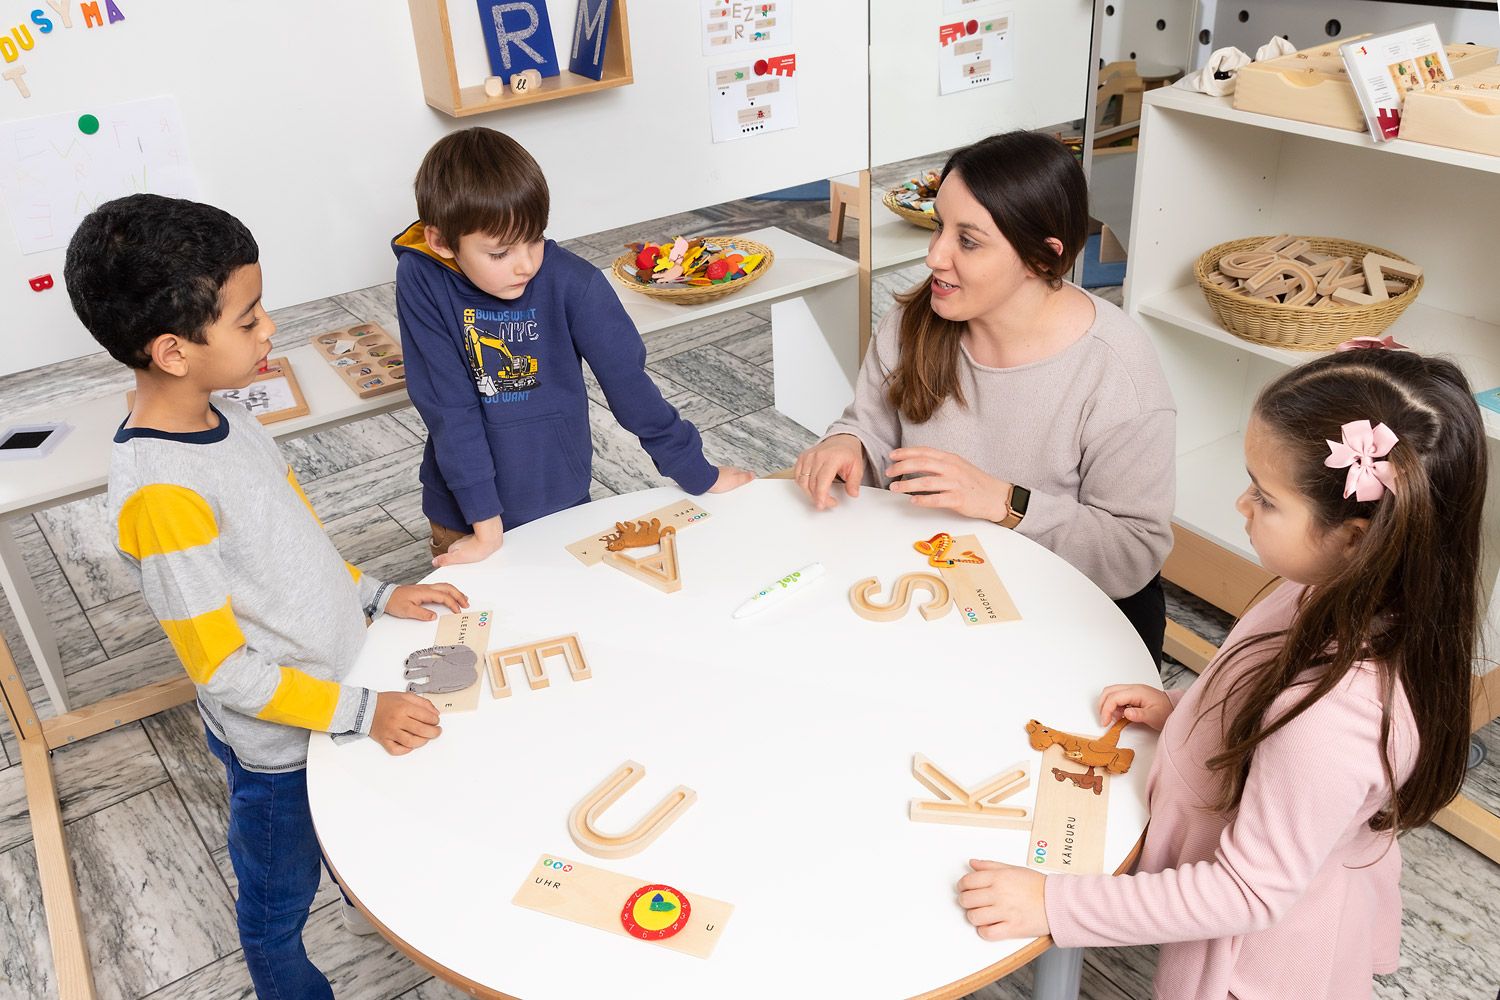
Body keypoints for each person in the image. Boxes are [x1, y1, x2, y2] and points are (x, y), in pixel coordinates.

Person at [955, 346, 1484, 1000]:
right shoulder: (1333, 586)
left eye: (1265, 497)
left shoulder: (1331, 721)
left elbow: (1244, 890)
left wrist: (1053, 903)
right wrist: (1185, 710)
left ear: (1353, 537)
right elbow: (1257, 691)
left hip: (1251, 969)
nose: (1241, 503)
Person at [66, 194, 469, 998]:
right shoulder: (162, 496)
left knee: (359, 834)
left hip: (335, 695)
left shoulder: (225, 417)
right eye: (248, 320)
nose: (269, 330)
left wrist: (377, 595)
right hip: (281, 750)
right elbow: (223, 671)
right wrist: (363, 712)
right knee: (276, 908)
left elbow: (292, 554)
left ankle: (363, 900)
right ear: (174, 352)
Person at [793, 130, 1174, 662]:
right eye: (938, 226)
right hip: (939, 587)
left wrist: (1005, 502)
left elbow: (1132, 551)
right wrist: (847, 444)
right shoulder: (913, 320)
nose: (935, 256)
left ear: (1042, 259)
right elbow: (871, 429)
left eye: (967, 241)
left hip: (1069, 617)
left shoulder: (1118, 370)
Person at [394, 127, 750, 566]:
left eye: (535, 238)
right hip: (463, 514)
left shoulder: (574, 283)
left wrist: (698, 474)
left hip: (560, 497)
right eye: (500, 253)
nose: (526, 264)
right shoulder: (421, 278)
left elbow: (629, 385)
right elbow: (448, 405)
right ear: (441, 242)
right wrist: (485, 526)